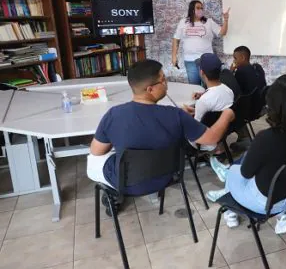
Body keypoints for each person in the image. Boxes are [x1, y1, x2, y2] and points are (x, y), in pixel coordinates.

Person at [86, 60, 235, 195]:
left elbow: (97, 151)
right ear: (150, 89)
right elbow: (213, 138)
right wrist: (227, 114)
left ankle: (113, 197)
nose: (166, 83)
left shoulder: (113, 115)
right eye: (163, 80)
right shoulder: (176, 116)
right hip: (168, 176)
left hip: (126, 183)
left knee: (93, 158)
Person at [205, 75, 286, 233]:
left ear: (273, 105)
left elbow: (246, 173)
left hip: (264, 202)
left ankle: (229, 206)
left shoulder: (266, 138)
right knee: (257, 166)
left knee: (234, 171)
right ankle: (280, 216)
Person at [183, 53, 234, 152]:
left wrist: (186, 116)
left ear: (202, 72)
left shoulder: (203, 100)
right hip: (222, 134)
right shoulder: (228, 90)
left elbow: (196, 128)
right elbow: (215, 112)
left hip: (204, 143)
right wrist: (195, 110)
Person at [172, 0, 230, 85]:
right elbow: (176, 39)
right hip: (190, 60)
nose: (200, 10)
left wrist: (226, 20)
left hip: (206, 60)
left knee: (209, 86)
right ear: (192, 9)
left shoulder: (209, 22)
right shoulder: (183, 22)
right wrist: (174, 56)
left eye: (202, 8)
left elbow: (222, 32)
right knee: (194, 86)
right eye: (198, 8)